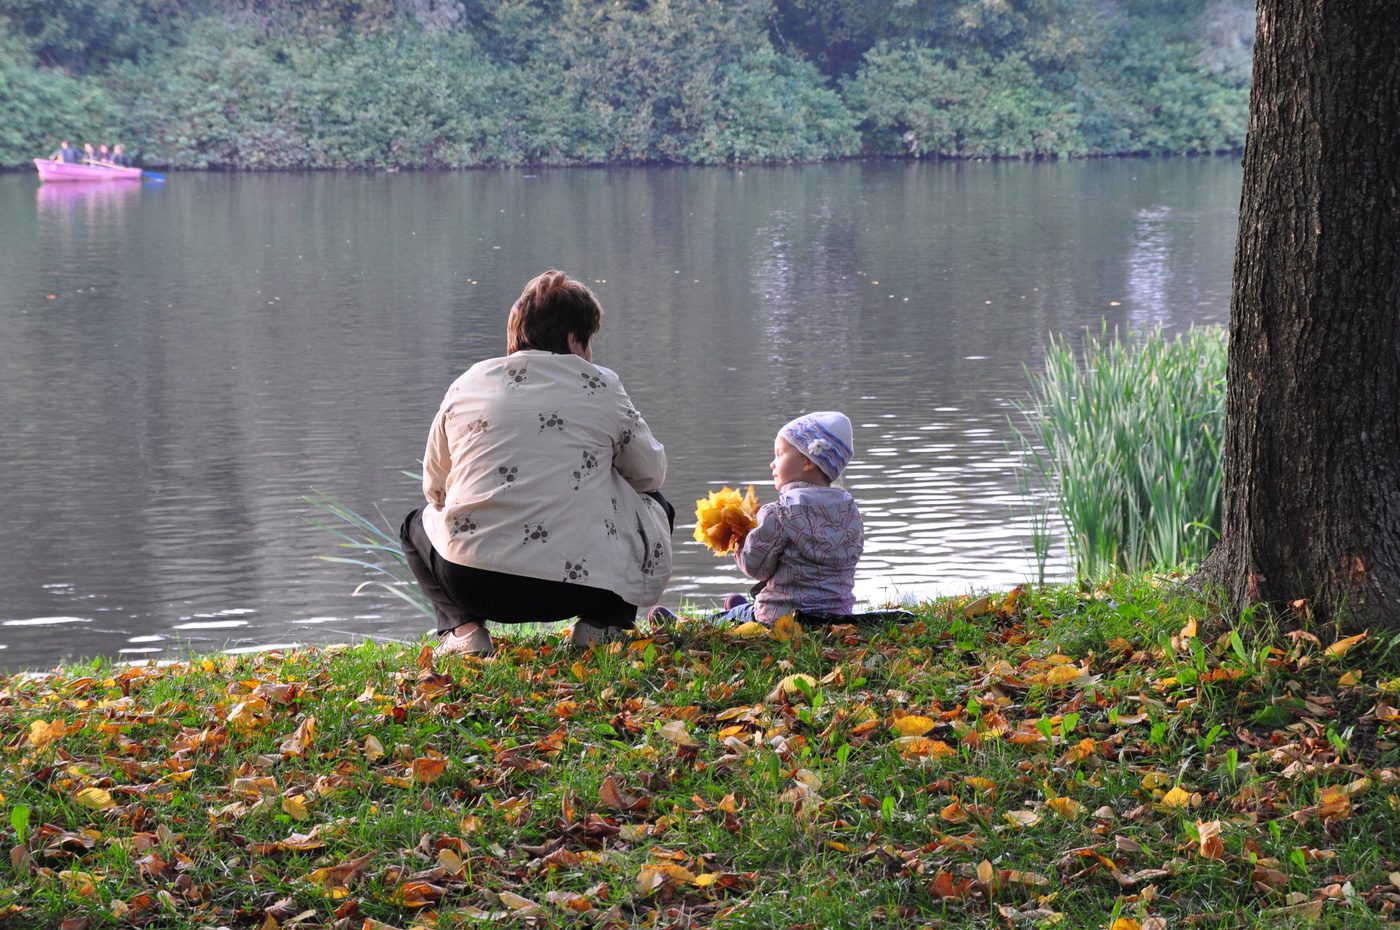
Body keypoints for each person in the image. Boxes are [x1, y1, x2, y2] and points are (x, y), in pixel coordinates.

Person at [401, 270, 674, 657]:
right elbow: (649, 475)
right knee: (656, 505)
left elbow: (435, 489)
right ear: (572, 339)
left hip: (472, 582)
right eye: (589, 341)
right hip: (579, 586)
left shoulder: (468, 381)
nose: (591, 354)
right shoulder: (600, 384)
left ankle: (465, 632)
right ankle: (602, 625)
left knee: (415, 522)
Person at [652, 411, 864, 627]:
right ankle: (743, 607)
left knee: (725, 621)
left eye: (780, 454)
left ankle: (684, 625)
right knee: (749, 608)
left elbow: (756, 567)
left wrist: (739, 538)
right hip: (837, 615)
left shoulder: (779, 513)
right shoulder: (850, 511)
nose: (773, 464)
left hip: (785, 617)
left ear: (807, 462)